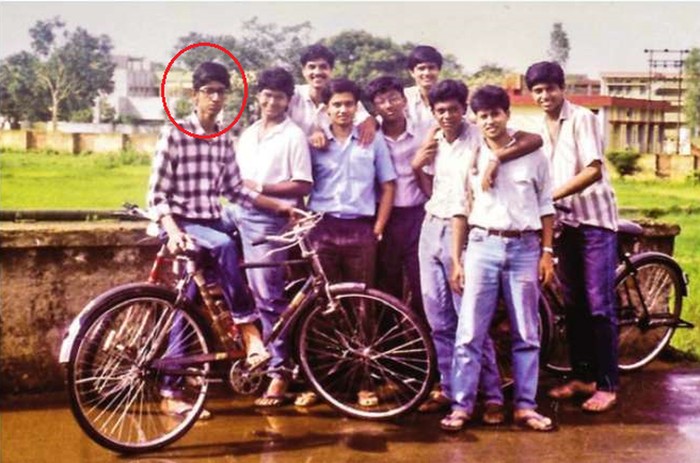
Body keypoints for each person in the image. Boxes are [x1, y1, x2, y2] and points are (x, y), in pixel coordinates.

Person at [147, 61, 293, 416]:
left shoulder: (223, 139)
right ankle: (248, 330)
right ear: (194, 95)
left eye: (221, 92)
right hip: (182, 224)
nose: (215, 98)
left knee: (190, 304)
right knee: (224, 246)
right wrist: (173, 231)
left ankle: (172, 387)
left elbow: (235, 190)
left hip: (210, 222)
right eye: (208, 91)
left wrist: (281, 207)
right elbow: (157, 195)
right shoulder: (175, 134)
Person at [411, 79, 542, 420]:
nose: (448, 116)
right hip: (432, 226)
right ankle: (449, 388)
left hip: (466, 231)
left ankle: (493, 396)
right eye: (441, 110)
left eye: (454, 109)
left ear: (464, 110)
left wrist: (497, 157)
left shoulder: (477, 135)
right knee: (438, 319)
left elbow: (534, 139)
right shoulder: (435, 137)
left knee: (470, 321)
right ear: (433, 112)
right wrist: (415, 166)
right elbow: (431, 182)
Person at [442, 85, 555, 432]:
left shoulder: (533, 154)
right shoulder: (470, 156)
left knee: (527, 333)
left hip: (525, 248)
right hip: (481, 246)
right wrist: (457, 259)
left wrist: (547, 251)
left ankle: (525, 406)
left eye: (496, 114)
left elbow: (546, 205)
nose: (490, 121)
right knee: (469, 333)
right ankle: (461, 406)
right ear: (475, 119)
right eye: (483, 116)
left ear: (507, 114)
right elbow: (460, 210)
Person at [525, 61, 620, 413]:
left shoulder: (582, 118)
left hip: (594, 222)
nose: (544, 95)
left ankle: (608, 385)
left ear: (562, 88)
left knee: (599, 306)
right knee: (574, 304)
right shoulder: (535, 128)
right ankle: (583, 377)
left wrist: (551, 196)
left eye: (550, 88)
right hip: (563, 224)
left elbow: (593, 170)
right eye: (538, 90)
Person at [305, 78, 397, 407]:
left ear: (357, 107)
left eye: (348, 104)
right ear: (327, 109)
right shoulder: (315, 141)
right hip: (322, 229)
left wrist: (378, 227)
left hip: (360, 230)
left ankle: (364, 382)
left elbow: (388, 185)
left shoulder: (372, 139)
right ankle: (322, 383)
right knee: (323, 308)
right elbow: (300, 182)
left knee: (362, 307)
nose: (343, 110)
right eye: (337, 105)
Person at [225, 67, 313, 408]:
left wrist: (261, 187)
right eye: (267, 95)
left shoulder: (293, 136)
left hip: (269, 219)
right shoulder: (249, 133)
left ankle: (280, 371)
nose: (271, 102)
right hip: (236, 210)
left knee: (268, 295)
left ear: (288, 101)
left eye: (279, 97)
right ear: (258, 96)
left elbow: (302, 185)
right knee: (201, 254)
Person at [365, 75, 427, 319]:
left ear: (404, 100)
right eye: (381, 101)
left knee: (421, 280)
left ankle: (425, 335)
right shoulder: (370, 135)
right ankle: (391, 337)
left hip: (416, 215)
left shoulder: (421, 133)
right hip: (384, 215)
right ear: (374, 108)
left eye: (393, 99)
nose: (388, 105)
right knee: (386, 281)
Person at [288, 43, 376, 148]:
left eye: (323, 67)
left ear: (331, 71)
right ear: (303, 71)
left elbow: (366, 118)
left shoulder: (342, 97)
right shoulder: (293, 95)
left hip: (330, 156)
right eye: (312, 67)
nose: (317, 72)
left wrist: (370, 122)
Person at [404, 45, 443, 134]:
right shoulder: (404, 97)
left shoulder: (450, 96)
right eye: (421, 68)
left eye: (431, 68)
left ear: (439, 70)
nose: (427, 73)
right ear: (412, 72)